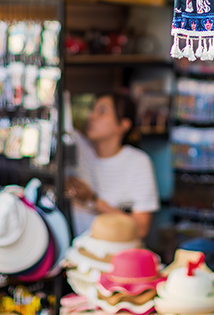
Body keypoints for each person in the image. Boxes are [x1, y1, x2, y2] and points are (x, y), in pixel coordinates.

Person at [66, 92, 159, 239]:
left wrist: (92, 200)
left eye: (101, 112)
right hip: (77, 251)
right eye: (92, 110)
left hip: (116, 253)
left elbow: (141, 229)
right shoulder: (78, 148)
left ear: (123, 125)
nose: (92, 116)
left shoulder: (138, 163)